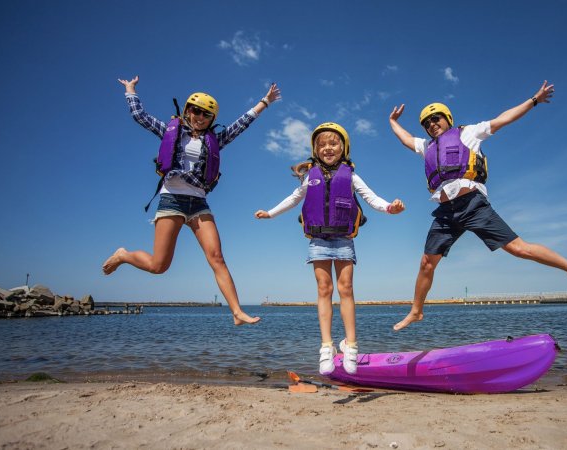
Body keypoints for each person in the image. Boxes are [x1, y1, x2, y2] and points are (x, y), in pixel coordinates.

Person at [388, 80, 567, 331]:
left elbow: (504, 119)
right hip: (446, 213)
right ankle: (416, 311)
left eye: (436, 119)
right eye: (426, 123)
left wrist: (534, 100)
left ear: (447, 118)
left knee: (519, 249)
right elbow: (405, 139)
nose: (431, 124)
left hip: (472, 205)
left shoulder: (468, 133)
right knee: (426, 263)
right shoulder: (426, 147)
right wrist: (392, 121)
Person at [102, 75, 281, 326]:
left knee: (217, 257)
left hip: (199, 203)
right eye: (196, 111)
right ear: (187, 110)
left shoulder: (215, 140)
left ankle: (237, 312)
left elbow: (242, 124)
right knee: (158, 266)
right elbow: (140, 116)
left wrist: (265, 101)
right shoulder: (171, 131)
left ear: (212, 119)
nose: (200, 117)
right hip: (172, 201)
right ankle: (123, 255)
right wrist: (130, 90)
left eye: (206, 114)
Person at [255, 122, 405, 374]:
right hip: (318, 241)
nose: (327, 148)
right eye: (322, 144)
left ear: (343, 148)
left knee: (346, 289)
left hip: (343, 239)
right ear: (315, 149)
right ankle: (327, 346)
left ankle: (351, 345)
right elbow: (293, 199)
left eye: (333, 143)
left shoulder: (351, 175)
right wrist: (270, 213)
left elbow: (371, 197)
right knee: (324, 290)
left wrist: (390, 207)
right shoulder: (310, 176)